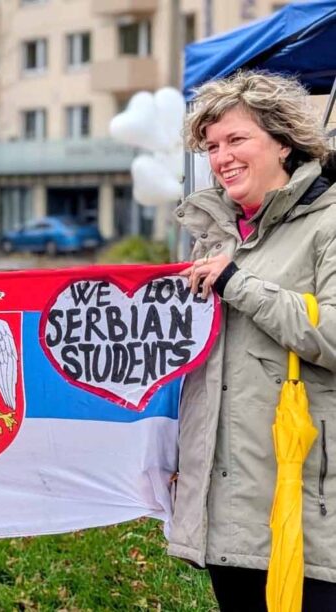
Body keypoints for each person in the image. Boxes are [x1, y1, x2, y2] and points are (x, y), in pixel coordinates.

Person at [176, 70, 336, 611]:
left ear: (285, 142)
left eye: (237, 139)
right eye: (212, 146)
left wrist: (237, 284)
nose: (222, 158)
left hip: (313, 514)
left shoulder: (330, 223)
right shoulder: (216, 234)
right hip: (231, 518)